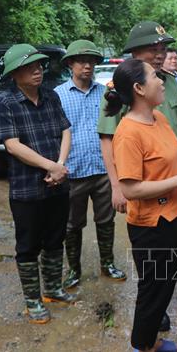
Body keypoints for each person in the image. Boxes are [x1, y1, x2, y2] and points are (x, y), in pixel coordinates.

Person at [98, 21, 177, 333]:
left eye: (163, 49)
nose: (161, 55)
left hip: (175, 198)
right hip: (151, 208)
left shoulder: (164, 99)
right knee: (155, 276)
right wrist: (116, 186)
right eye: (153, 51)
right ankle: (152, 324)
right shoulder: (121, 98)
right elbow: (112, 145)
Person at [108, 58, 177, 352]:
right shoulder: (128, 133)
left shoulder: (159, 118)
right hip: (152, 226)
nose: (162, 80)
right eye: (155, 76)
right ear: (139, 88)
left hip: (175, 215)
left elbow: (169, 165)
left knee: (166, 286)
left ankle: (151, 341)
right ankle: (142, 346)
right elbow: (130, 189)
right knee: (153, 291)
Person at [0, 44, 75, 324]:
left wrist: (60, 165)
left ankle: (52, 288)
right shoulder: (5, 102)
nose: (38, 70)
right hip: (27, 188)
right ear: (15, 73)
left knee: (55, 239)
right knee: (28, 245)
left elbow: (65, 130)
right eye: (30, 67)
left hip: (58, 183)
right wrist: (50, 166)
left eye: (39, 65)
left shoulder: (51, 96)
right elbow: (12, 146)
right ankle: (32, 300)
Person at [54, 40, 126, 290]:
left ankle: (108, 263)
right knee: (72, 224)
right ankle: (74, 269)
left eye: (91, 61)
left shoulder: (106, 93)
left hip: (103, 169)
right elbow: (55, 133)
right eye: (81, 61)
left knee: (106, 220)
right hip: (72, 171)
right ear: (70, 64)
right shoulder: (58, 95)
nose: (87, 65)